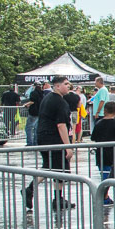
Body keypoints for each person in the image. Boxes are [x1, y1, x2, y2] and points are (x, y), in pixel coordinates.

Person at [34, 75, 74, 211]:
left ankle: (58, 198)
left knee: (51, 167)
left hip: (43, 137)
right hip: (53, 139)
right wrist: (68, 147)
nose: (68, 86)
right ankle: (31, 190)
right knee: (58, 169)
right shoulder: (59, 102)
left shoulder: (48, 98)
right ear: (57, 86)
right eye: (66, 84)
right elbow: (61, 125)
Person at [89, 100, 115, 204]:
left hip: (100, 154)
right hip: (113, 154)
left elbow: (93, 137)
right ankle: (103, 196)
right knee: (111, 176)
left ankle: (105, 196)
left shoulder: (99, 123)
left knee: (104, 177)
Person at [23, 80, 47, 153]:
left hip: (33, 113)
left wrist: (26, 104)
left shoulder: (33, 93)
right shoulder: (42, 93)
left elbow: (32, 101)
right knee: (36, 128)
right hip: (40, 112)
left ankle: (30, 143)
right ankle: (36, 142)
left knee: (28, 128)